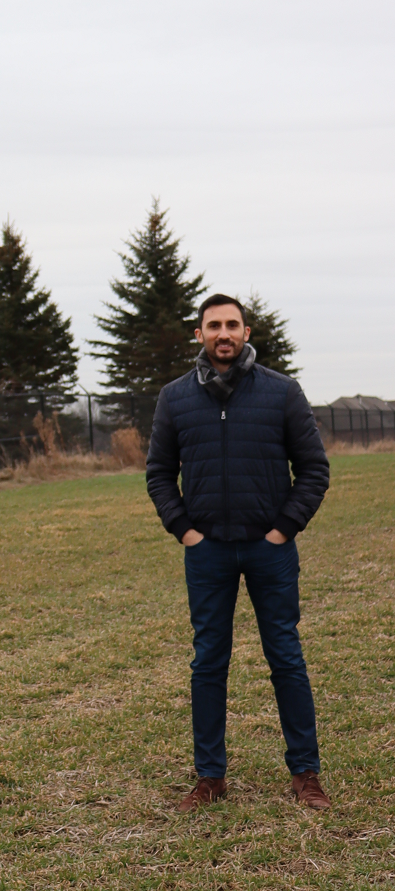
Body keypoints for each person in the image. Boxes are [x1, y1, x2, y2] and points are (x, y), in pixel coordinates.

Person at [147, 295, 331, 812]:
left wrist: (282, 530)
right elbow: (159, 473)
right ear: (200, 334)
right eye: (213, 326)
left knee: (286, 659)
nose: (223, 333)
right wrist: (185, 531)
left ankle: (305, 772)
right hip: (206, 552)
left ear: (246, 332)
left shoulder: (282, 393)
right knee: (208, 662)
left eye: (232, 324)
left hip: (270, 550)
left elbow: (313, 469)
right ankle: (210, 777)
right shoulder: (175, 398)